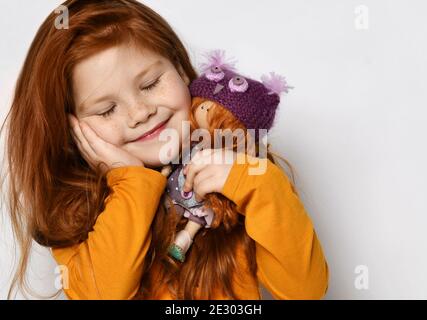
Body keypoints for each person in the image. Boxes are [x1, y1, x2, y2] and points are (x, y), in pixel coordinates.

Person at [1, 0, 329, 300]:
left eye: (150, 84)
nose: (140, 113)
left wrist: (259, 184)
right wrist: (131, 185)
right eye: (106, 110)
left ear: (180, 69)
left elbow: (305, 290)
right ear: (72, 128)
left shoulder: (242, 172)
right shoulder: (75, 207)